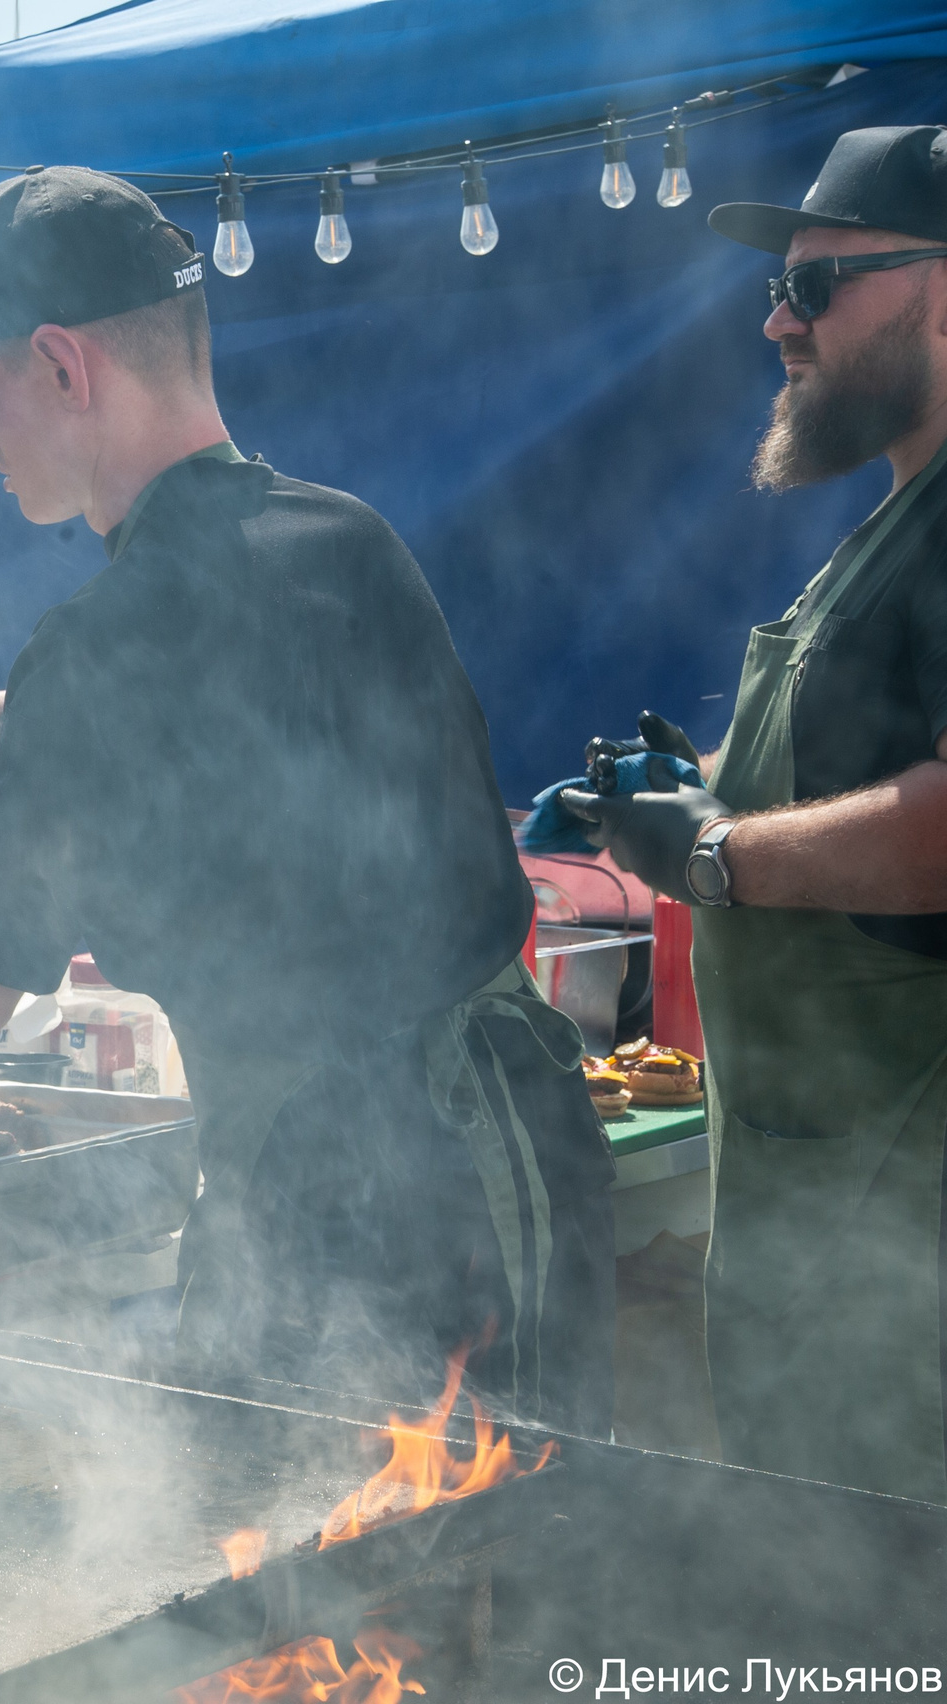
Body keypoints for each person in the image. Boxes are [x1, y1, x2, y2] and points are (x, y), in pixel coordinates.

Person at [0, 168, 616, 1431]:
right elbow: (106, 761)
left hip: (352, 1209)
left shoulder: (112, 634)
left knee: (328, 1578)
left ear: (63, 367)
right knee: (506, 1575)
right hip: (505, 1152)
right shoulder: (338, 540)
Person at [559, 127, 947, 1502]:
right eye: (775, 288)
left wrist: (716, 856)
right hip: (821, 1241)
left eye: (817, 284)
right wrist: (693, 797)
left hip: (909, 1271)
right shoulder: (896, 518)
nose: (778, 320)